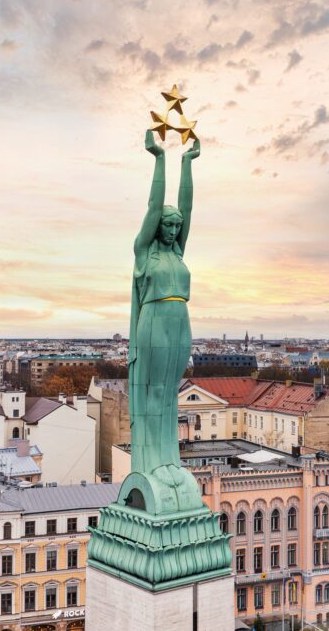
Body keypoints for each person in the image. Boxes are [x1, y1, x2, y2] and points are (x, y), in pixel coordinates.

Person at [128, 130, 199, 489]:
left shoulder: (177, 252)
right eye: (168, 225)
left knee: (170, 391)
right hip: (154, 320)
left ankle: (170, 459)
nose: (173, 228)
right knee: (155, 390)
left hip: (180, 320)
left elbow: (186, 205)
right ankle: (152, 461)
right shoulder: (146, 251)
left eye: (177, 226)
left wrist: (188, 162)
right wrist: (161, 158)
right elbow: (157, 205)